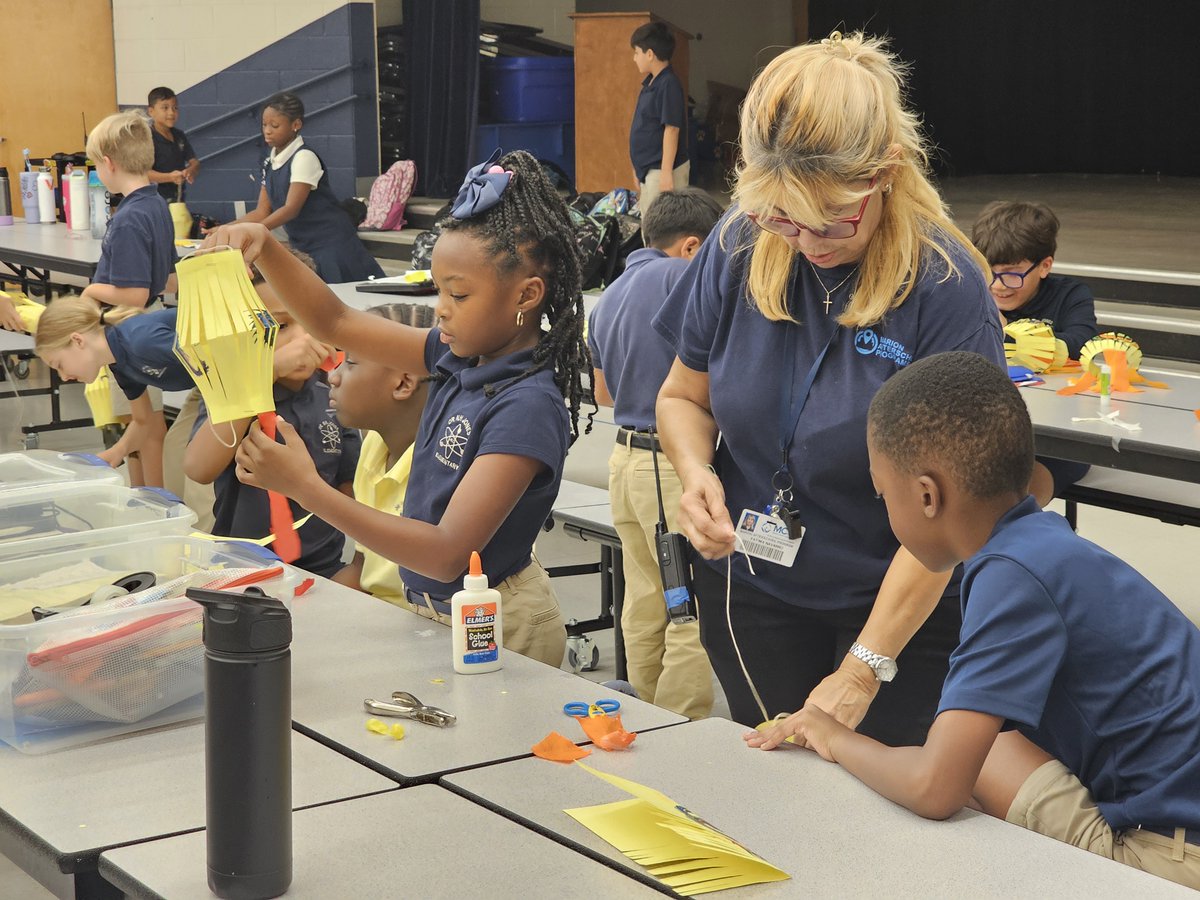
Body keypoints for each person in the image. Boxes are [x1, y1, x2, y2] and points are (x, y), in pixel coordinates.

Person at [652, 31, 1005, 744]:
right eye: (781, 218)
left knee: (883, 816)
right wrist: (694, 474)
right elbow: (682, 398)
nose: (807, 242)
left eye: (832, 221)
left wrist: (864, 668)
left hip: (900, 606)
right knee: (784, 796)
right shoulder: (736, 244)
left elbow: (956, 515)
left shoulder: (945, 288)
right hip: (755, 589)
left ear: (888, 174)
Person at [748, 351, 1200, 891]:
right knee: (983, 748)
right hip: (1182, 808)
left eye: (881, 494)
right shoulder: (1040, 543)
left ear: (926, 495)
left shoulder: (1010, 577)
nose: (885, 509)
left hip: (1173, 857)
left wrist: (829, 734)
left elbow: (935, 789)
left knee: (951, 773)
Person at [205, 149, 594, 669]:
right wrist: (268, 248)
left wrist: (304, 487)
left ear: (526, 295)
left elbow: (445, 552)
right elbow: (336, 320)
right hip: (437, 609)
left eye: (458, 294)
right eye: (439, 290)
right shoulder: (457, 357)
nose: (441, 308)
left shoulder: (525, 405)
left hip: (500, 620)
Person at [588, 188, 724, 719]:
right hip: (673, 463)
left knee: (646, 597)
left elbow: (603, 395)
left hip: (625, 460)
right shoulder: (687, 279)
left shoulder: (610, 293)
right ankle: (682, 729)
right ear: (693, 248)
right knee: (688, 604)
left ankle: (647, 718)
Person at [183, 265, 361, 579]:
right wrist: (264, 374)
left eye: (311, 322)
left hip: (324, 568)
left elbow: (350, 488)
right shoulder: (232, 388)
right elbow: (199, 467)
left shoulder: (333, 387)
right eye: (279, 326)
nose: (302, 340)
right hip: (242, 570)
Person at [972, 200, 1097, 505]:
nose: (998, 287)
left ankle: (1005, 530)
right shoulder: (972, 293)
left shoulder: (1070, 295)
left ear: (1045, 266)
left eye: (1012, 274)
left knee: (1014, 494)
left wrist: (1010, 337)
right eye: (989, 272)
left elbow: (1085, 342)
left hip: (1056, 439)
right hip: (986, 430)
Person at [329, 302, 433, 602]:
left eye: (350, 362)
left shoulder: (447, 468)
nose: (332, 377)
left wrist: (300, 485)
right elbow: (362, 571)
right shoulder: (376, 444)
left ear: (403, 383)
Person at [33, 297, 195, 487]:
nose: (63, 377)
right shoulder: (118, 363)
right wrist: (115, 453)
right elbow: (143, 421)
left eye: (59, 365)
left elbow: (221, 357)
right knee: (176, 450)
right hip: (209, 387)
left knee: (198, 467)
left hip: (228, 377)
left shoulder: (140, 341)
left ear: (77, 340)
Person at [226, 92, 384, 283]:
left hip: (331, 244)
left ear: (296, 125)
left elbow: (291, 209)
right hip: (304, 246)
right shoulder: (270, 162)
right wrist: (226, 229)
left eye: (274, 125)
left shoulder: (304, 157)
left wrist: (251, 231)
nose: (267, 131)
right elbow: (261, 211)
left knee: (346, 301)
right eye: (264, 125)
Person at [83, 111, 177, 309]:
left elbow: (135, 296)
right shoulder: (157, 203)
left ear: (108, 164)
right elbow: (171, 280)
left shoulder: (128, 219)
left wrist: (91, 290)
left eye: (97, 165)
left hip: (125, 325)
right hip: (146, 317)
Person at [629, 21, 689, 214]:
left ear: (649, 54)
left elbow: (671, 128)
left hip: (662, 170)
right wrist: (638, 168)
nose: (634, 58)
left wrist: (665, 173)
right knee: (649, 222)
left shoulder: (668, 84)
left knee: (662, 225)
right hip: (649, 169)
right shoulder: (650, 83)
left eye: (636, 52)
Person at [146, 86, 200, 203]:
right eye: (165, 108)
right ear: (151, 111)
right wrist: (169, 177)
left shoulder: (179, 135)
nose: (171, 112)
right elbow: (144, 173)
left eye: (175, 108)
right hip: (155, 201)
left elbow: (194, 161)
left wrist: (191, 170)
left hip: (178, 199)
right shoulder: (146, 138)